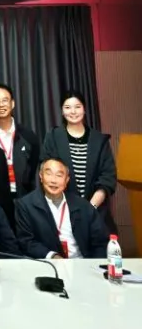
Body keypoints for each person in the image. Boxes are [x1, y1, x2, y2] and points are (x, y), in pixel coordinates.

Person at [42, 91, 118, 234]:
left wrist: (90, 208)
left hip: (96, 213)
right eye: (67, 107)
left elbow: (107, 178)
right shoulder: (53, 137)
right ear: (62, 111)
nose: (73, 111)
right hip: (61, 213)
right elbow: (47, 173)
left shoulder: (99, 140)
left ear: (84, 109)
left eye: (77, 107)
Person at [16, 157, 108, 259]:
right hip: (48, 263)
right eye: (48, 174)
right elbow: (26, 241)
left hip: (81, 262)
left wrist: (93, 264)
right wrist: (52, 256)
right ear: (41, 176)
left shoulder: (83, 205)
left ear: (67, 180)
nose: (53, 180)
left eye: (59, 175)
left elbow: (100, 241)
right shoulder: (26, 205)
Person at [0, 84, 40, 200]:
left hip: (24, 199)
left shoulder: (28, 136)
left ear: (12, 103)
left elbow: (34, 169)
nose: (1, 104)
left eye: (5, 100)